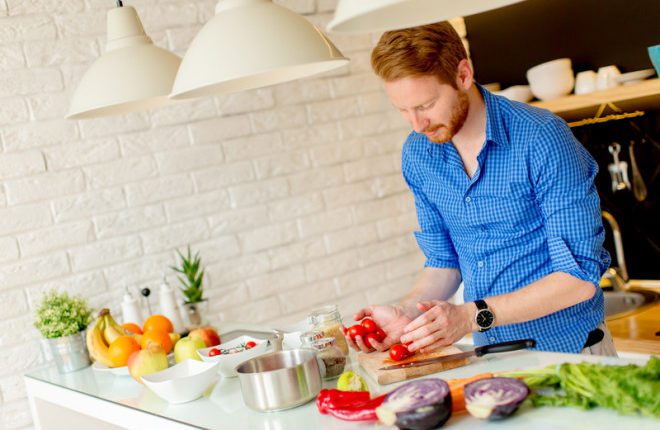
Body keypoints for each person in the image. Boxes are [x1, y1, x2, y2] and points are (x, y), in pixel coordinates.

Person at [344, 22, 615, 356]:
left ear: (463, 75)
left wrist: (470, 316)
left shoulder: (542, 137)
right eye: (403, 110)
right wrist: (408, 313)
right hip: (492, 354)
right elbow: (444, 261)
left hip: (571, 350)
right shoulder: (418, 154)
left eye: (426, 105)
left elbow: (579, 279)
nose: (417, 124)